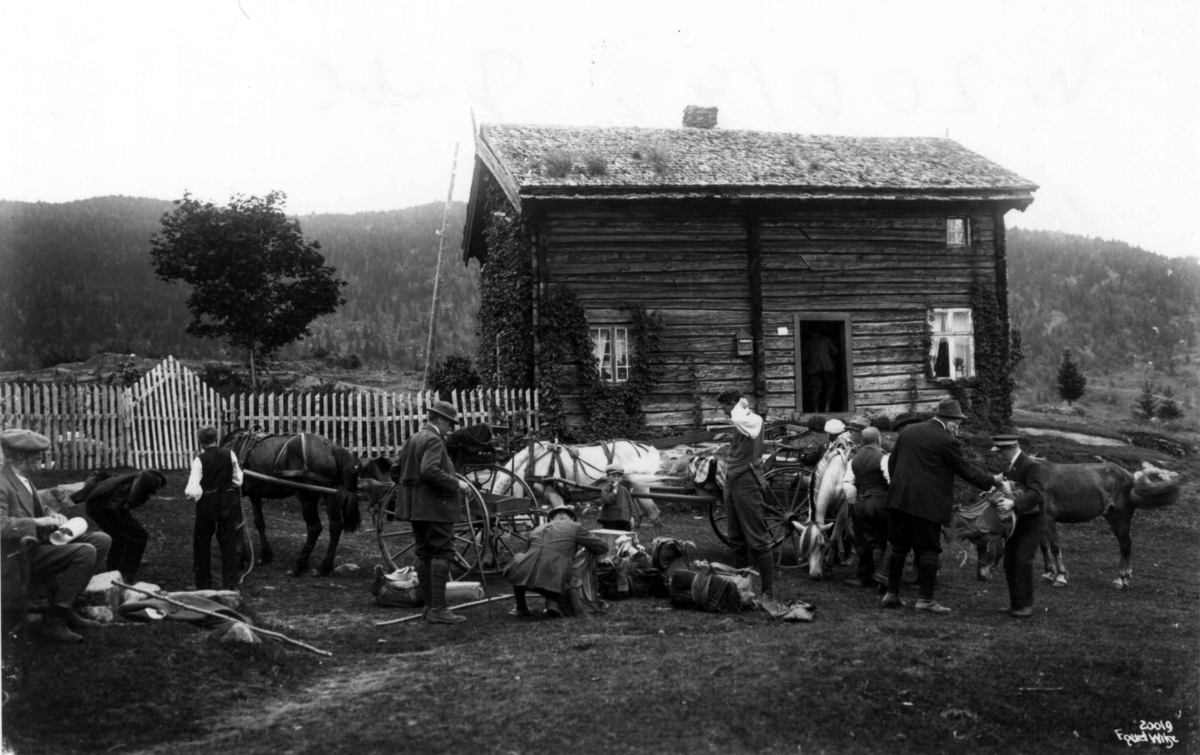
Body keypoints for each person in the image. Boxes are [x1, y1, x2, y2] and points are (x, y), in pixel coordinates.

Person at [881, 399, 1003, 613]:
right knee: (929, 550)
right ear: (951, 420)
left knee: (899, 547)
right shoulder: (947, 441)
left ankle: (891, 594)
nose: (959, 427)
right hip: (926, 506)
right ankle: (925, 600)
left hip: (897, 501)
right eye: (958, 422)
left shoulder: (909, 432)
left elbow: (892, 464)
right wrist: (993, 480)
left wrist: (901, 489)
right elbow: (965, 470)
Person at [0, 429, 112, 643]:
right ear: (20, 456)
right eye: (36, 455)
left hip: (36, 546)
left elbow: (41, 507)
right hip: (17, 556)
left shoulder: (22, 478)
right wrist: (36, 523)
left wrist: (54, 516)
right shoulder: (2, 483)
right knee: (84, 551)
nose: (40, 459)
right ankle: (54, 619)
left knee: (101, 540)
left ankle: (67, 606)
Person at [393, 400, 474, 625]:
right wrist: (458, 484)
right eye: (449, 424)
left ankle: (429, 606)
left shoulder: (413, 438)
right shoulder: (434, 440)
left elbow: (395, 470)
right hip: (436, 507)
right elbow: (429, 470)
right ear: (440, 420)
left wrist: (412, 491)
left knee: (424, 553)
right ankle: (439, 608)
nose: (450, 429)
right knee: (443, 552)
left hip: (415, 508)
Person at [715, 389, 779, 609]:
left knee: (757, 539)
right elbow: (736, 422)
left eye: (725, 407)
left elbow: (739, 418)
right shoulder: (740, 420)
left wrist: (739, 406)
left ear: (734, 404)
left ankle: (768, 593)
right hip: (733, 479)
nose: (724, 412)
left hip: (748, 480)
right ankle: (743, 588)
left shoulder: (753, 419)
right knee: (736, 537)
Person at [503, 504, 609, 618]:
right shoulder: (574, 527)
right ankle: (552, 604)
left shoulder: (537, 529)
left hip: (522, 572)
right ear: (572, 518)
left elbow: (529, 552)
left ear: (551, 519)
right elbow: (603, 547)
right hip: (555, 575)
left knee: (523, 558)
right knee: (560, 564)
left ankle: (521, 608)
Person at [71, 468, 167, 583]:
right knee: (139, 536)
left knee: (118, 538)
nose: (157, 489)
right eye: (158, 485)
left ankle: (113, 573)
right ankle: (126, 577)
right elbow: (133, 492)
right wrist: (124, 507)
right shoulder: (146, 476)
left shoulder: (126, 478)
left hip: (97, 507)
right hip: (107, 508)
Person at [990, 434, 1045, 619]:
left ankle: (1026, 605)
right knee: (1010, 562)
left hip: (1031, 522)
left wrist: (1013, 504)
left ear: (1009, 448)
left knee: (1023, 561)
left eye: (1001, 452)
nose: (1000, 455)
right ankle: (1015, 604)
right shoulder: (1011, 466)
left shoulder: (1030, 465)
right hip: (1015, 523)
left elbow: (1036, 494)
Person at [185, 427, 244, 591]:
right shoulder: (229, 454)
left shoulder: (199, 460)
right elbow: (238, 480)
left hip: (206, 506)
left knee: (201, 543)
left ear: (200, 441)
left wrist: (200, 497)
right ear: (217, 439)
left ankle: (203, 583)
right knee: (228, 543)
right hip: (226, 503)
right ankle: (231, 584)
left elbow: (191, 489)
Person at [843, 427, 890, 590]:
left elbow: (848, 485)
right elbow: (891, 481)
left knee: (867, 540)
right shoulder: (883, 458)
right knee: (883, 540)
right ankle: (881, 576)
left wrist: (856, 502)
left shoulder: (853, 461)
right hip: (882, 502)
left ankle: (869, 576)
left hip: (861, 503)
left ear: (862, 441)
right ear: (879, 440)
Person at [804, 327, 839, 412]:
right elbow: (835, 351)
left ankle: (816, 410)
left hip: (814, 368)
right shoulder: (827, 340)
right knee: (829, 387)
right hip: (828, 367)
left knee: (815, 390)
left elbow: (804, 357)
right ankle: (827, 407)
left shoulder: (808, 343)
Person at [597, 463, 633, 531]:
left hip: (623, 519)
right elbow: (608, 500)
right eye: (613, 476)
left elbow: (630, 504)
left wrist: (632, 517)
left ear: (621, 477)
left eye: (619, 476)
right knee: (610, 538)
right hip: (610, 520)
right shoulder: (605, 489)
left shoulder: (624, 489)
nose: (616, 478)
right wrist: (614, 491)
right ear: (608, 477)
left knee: (625, 538)